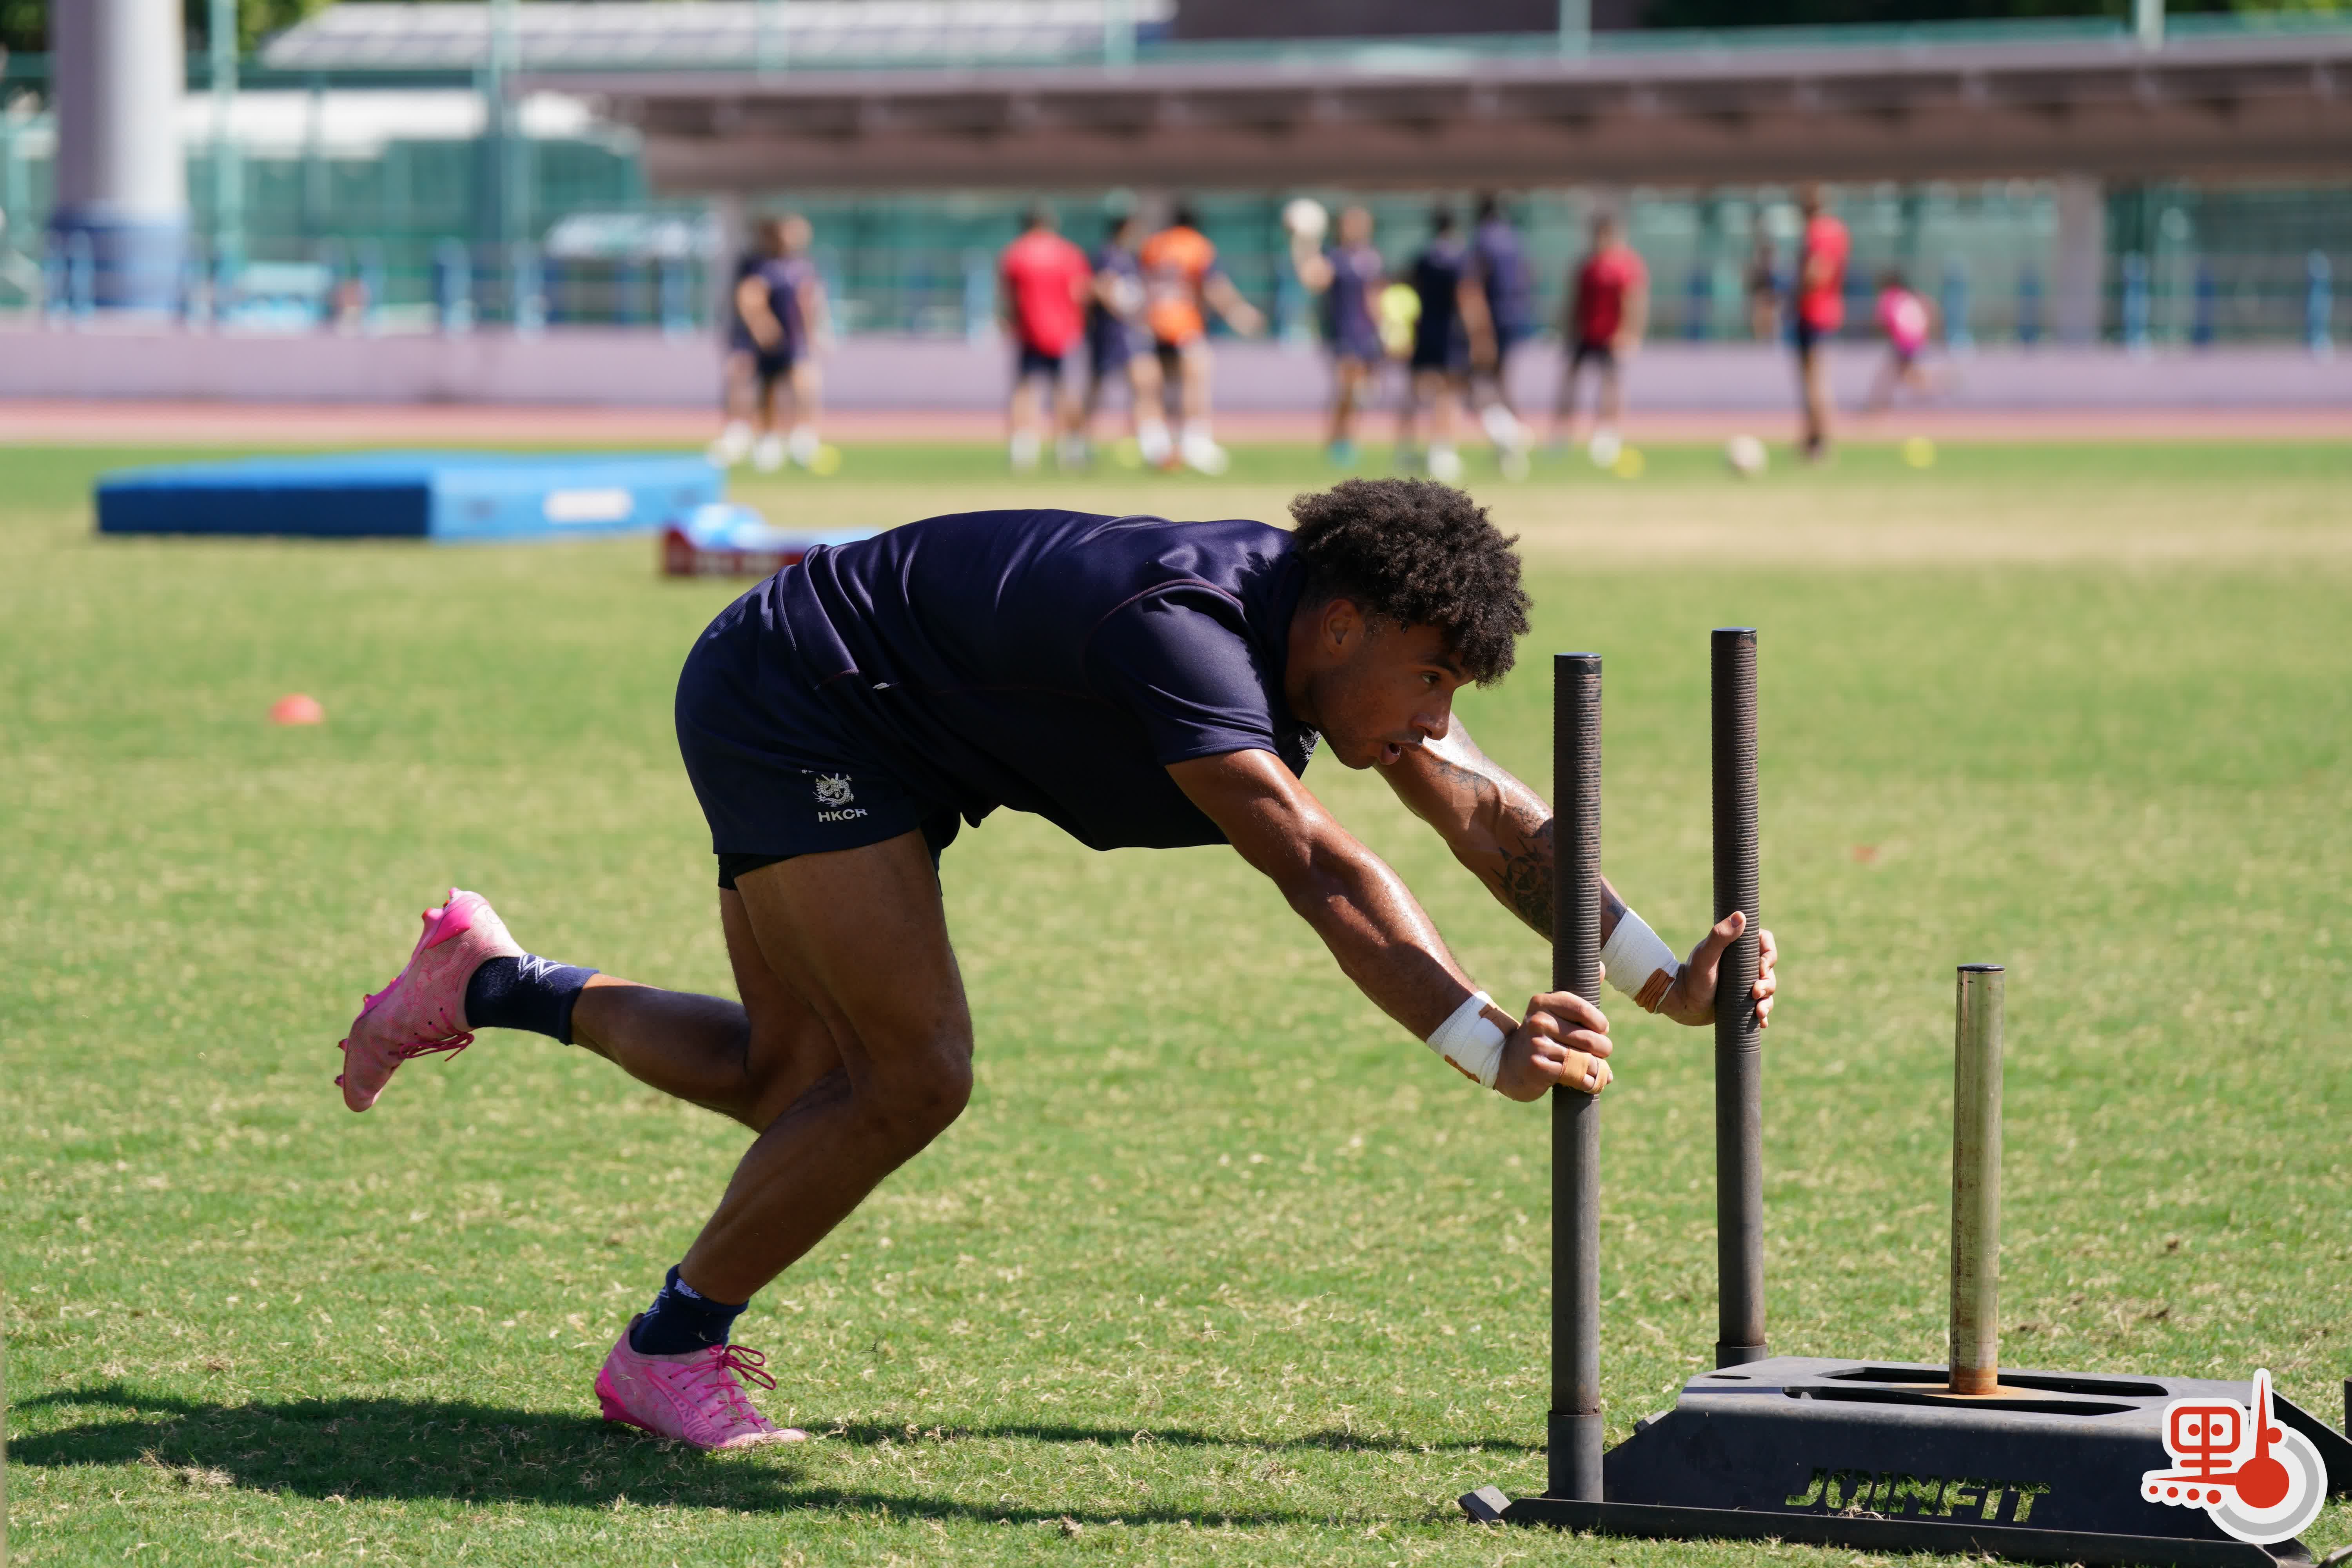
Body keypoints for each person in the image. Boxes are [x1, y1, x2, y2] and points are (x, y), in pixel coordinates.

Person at [334, 479, 1780, 1452]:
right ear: (1345, 626)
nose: (1435, 717)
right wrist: (1482, 1041)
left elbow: (1487, 815)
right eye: (1431, 680)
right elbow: (1318, 866)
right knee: (909, 1078)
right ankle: (667, 1347)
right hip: (802, 698)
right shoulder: (1187, 635)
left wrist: (1659, 976)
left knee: (790, 1080)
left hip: (890, 722)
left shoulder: (1328, 637)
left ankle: (487, 981)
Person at [1137, 202, 1265, 474]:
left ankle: (1155, 446)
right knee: (1195, 382)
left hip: (1154, 323)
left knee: (1154, 389)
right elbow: (1213, 285)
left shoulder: (1153, 245)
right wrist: (1239, 313)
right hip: (1183, 323)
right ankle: (1194, 443)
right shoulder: (1197, 246)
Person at [710, 215, 830, 474]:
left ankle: (804, 438)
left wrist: (814, 333)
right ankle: (758, 438)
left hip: (793, 338)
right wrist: (762, 324)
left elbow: (809, 300)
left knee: (804, 383)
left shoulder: (802, 265)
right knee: (764, 386)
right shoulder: (758, 264)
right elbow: (749, 295)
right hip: (763, 340)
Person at [1397, 206, 1494, 485]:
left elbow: (1408, 289)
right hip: (1451, 333)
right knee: (1449, 393)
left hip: (1425, 329)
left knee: (1417, 389)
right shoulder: (1461, 258)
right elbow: (1467, 297)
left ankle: (1405, 449)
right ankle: (1441, 451)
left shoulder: (1423, 257)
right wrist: (1480, 335)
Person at [997, 204, 1093, 472]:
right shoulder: (1068, 253)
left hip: (1029, 330)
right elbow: (1080, 292)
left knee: (1025, 390)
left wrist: (1012, 322)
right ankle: (1069, 449)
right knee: (1065, 390)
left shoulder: (1016, 253)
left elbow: (1008, 297)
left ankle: (1022, 451)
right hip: (1063, 332)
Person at [1289, 203, 1387, 465]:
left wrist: (1384, 328)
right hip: (1343, 331)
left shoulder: (1371, 258)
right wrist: (1302, 245)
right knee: (1346, 388)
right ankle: (1337, 441)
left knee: (1362, 393)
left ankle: (1349, 438)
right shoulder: (1335, 257)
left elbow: (1374, 296)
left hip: (1367, 332)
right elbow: (1313, 279)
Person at [1552, 211, 1649, 466]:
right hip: (1586, 334)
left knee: (1610, 386)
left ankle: (1607, 436)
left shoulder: (1625, 265)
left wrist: (1630, 333)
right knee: (1570, 381)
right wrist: (1569, 331)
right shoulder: (1587, 266)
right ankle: (1562, 434)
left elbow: (1633, 300)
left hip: (1611, 336)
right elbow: (1575, 301)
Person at [1075, 212, 1157, 465]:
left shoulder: (1131, 258)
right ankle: (1077, 444)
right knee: (1096, 389)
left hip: (1127, 332)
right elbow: (1097, 287)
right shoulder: (1106, 255)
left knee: (1143, 383)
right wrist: (1121, 307)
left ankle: (1151, 445)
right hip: (1108, 333)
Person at [1468, 194, 1537, 473]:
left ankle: (1510, 436)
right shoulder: (1515, 239)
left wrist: (1479, 330)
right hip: (1515, 315)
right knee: (1501, 380)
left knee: (1479, 384)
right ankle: (1508, 444)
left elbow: (1474, 285)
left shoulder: (1482, 240)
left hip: (1492, 318)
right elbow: (1528, 275)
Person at [1791, 183, 1850, 461]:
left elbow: (1819, 271)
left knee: (1814, 381)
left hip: (1813, 312)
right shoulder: (1838, 230)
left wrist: (1794, 291)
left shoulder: (1818, 231)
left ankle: (1820, 442)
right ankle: (1813, 438)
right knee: (1815, 379)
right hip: (1827, 311)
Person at [1864, 267, 1948, 412]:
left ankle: (1878, 405)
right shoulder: (1910, 296)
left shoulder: (1889, 297)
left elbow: (1881, 320)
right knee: (1904, 375)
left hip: (1903, 341)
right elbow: (1931, 309)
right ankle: (1939, 381)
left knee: (1894, 374)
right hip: (1916, 340)